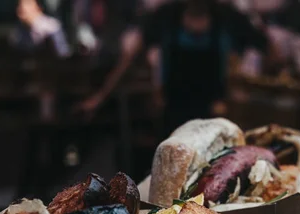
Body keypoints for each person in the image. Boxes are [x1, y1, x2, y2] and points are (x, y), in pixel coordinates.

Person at [76, 0, 279, 135]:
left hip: (215, 115)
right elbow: (128, 61)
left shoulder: (228, 17)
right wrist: (100, 98)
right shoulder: (166, 17)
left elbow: (272, 52)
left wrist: (256, 91)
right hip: (172, 114)